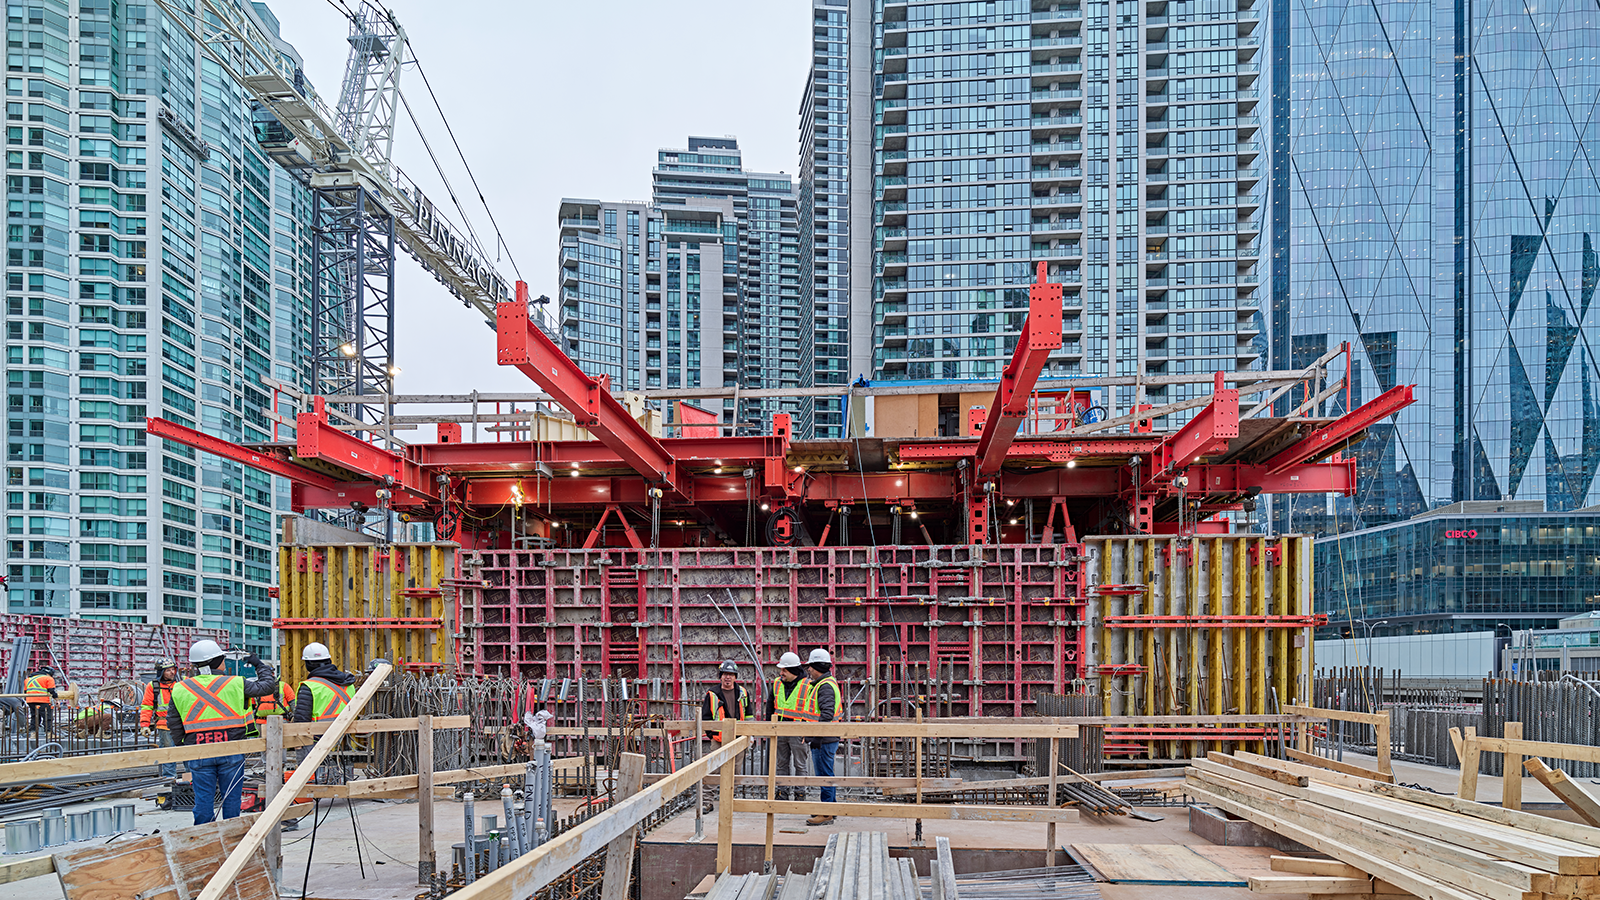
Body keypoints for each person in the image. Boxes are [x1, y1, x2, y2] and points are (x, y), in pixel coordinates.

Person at [168, 640, 278, 825]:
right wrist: (259, 665)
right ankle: (232, 836)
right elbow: (267, 686)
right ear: (217, 661)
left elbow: (174, 722)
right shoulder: (235, 683)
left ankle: (205, 836)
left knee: (203, 801)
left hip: (199, 751)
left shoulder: (181, 687)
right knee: (231, 799)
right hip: (231, 750)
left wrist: (184, 747)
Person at [802, 648, 842, 826]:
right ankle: (829, 808)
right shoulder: (824, 683)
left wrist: (815, 737)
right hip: (825, 738)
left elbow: (826, 715)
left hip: (824, 739)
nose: (809, 669)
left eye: (811, 666)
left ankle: (826, 813)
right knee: (826, 774)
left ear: (817, 666)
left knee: (824, 775)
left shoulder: (824, 686)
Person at [764, 652, 811, 801]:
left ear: (793, 670)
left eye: (784, 670)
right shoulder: (777, 683)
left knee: (800, 764)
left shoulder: (807, 685)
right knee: (781, 763)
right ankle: (782, 793)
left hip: (799, 730)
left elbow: (812, 710)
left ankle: (800, 793)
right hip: (780, 728)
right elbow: (770, 706)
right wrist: (769, 727)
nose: (781, 673)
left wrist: (808, 731)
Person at [290, 643, 357, 724]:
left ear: (308, 664)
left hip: (318, 731)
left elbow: (301, 722)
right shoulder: (348, 684)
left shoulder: (309, 687)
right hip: (348, 731)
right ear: (329, 661)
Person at [138, 658, 180, 778]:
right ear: (161, 672)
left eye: (173, 669)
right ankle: (169, 778)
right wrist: (144, 725)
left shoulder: (181, 683)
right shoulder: (153, 686)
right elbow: (147, 706)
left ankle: (190, 776)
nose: (172, 672)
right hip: (164, 725)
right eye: (168, 670)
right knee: (167, 753)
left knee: (187, 752)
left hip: (182, 725)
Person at [699, 660, 752, 743]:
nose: (728, 677)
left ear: (735, 677)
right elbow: (705, 718)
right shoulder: (712, 694)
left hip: (739, 737)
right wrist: (711, 736)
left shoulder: (743, 693)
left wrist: (749, 734)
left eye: (731, 674)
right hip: (718, 739)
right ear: (721, 676)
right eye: (725, 674)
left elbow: (749, 716)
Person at [23, 665, 57, 737]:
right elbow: (51, 691)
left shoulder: (28, 679)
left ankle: (33, 734)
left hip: (30, 701)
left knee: (35, 717)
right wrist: (56, 700)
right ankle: (49, 733)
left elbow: (26, 691)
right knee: (47, 717)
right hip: (42, 700)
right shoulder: (48, 678)